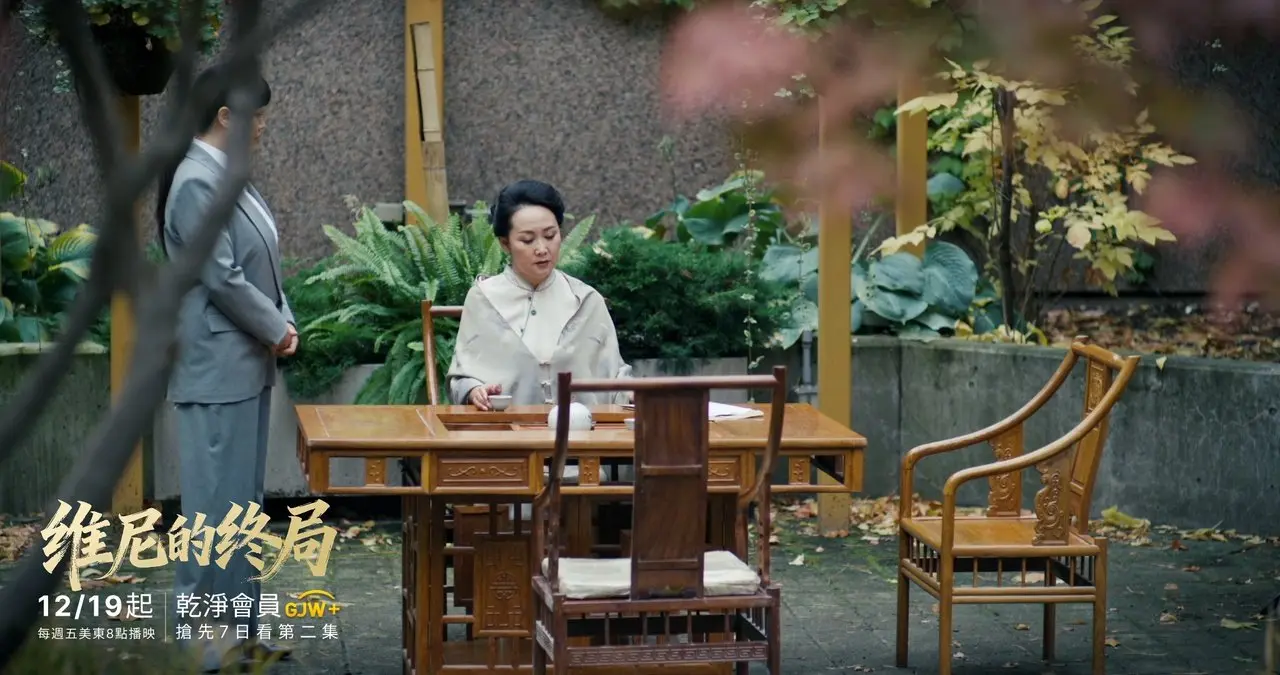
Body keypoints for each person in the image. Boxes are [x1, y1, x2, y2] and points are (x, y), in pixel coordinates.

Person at [156, 63, 296, 673]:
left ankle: (241, 635)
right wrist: (276, 328)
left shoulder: (225, 176)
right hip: (217, 368)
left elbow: (263, 266)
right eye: (257, 116)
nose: (262, 127)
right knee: (213, 511)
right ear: (225, 117)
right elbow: (222, 276)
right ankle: (202, 642)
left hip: (242, 363)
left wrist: (282, 320)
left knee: (240, 508)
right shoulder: (197, 181)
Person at [447, 179, 632, 408]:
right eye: (527, 240)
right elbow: (462, 379)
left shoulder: (585, 300)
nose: (542, 249)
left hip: (580, 428)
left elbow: (616, 379)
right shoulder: (483, 298)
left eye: (550, 236)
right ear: (505, 244)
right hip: (505, 428)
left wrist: (633, 394)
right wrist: (476, 392)